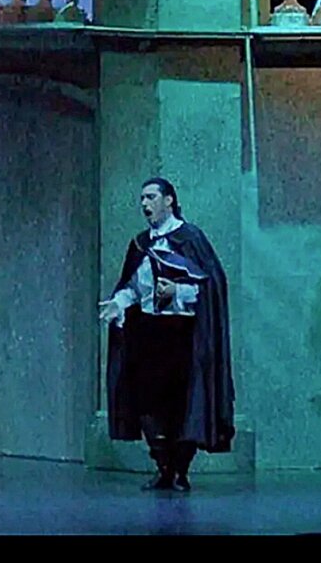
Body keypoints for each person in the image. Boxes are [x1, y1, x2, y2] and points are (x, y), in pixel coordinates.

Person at [99, 178, 234, 491]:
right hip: (148, 332)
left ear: (169, 200)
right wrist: (119, 302)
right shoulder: (140, 244)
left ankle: (180, 470)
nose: (145, 205)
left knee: (181, 402)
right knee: (148, 401)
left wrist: (178, 291)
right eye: (142, 199)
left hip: (182, 333)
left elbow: (210, 285)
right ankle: (162, 466)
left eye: (151, 197)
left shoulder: (191, 238)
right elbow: (134, 286)